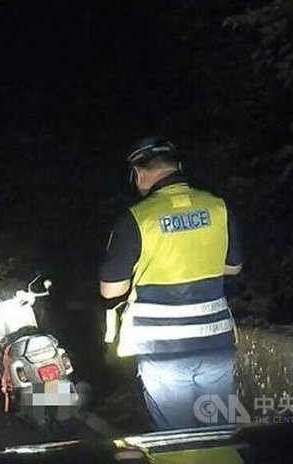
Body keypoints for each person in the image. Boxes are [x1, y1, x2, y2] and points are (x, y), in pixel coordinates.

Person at [99, 137, 242, 430]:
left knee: (179, 441)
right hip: (216, 344)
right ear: (179, 167)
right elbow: (233, 266)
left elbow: (110, 290)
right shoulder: (218, 207)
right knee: (222, 432)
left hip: (164, 350)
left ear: (138, 174)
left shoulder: (136, 219)